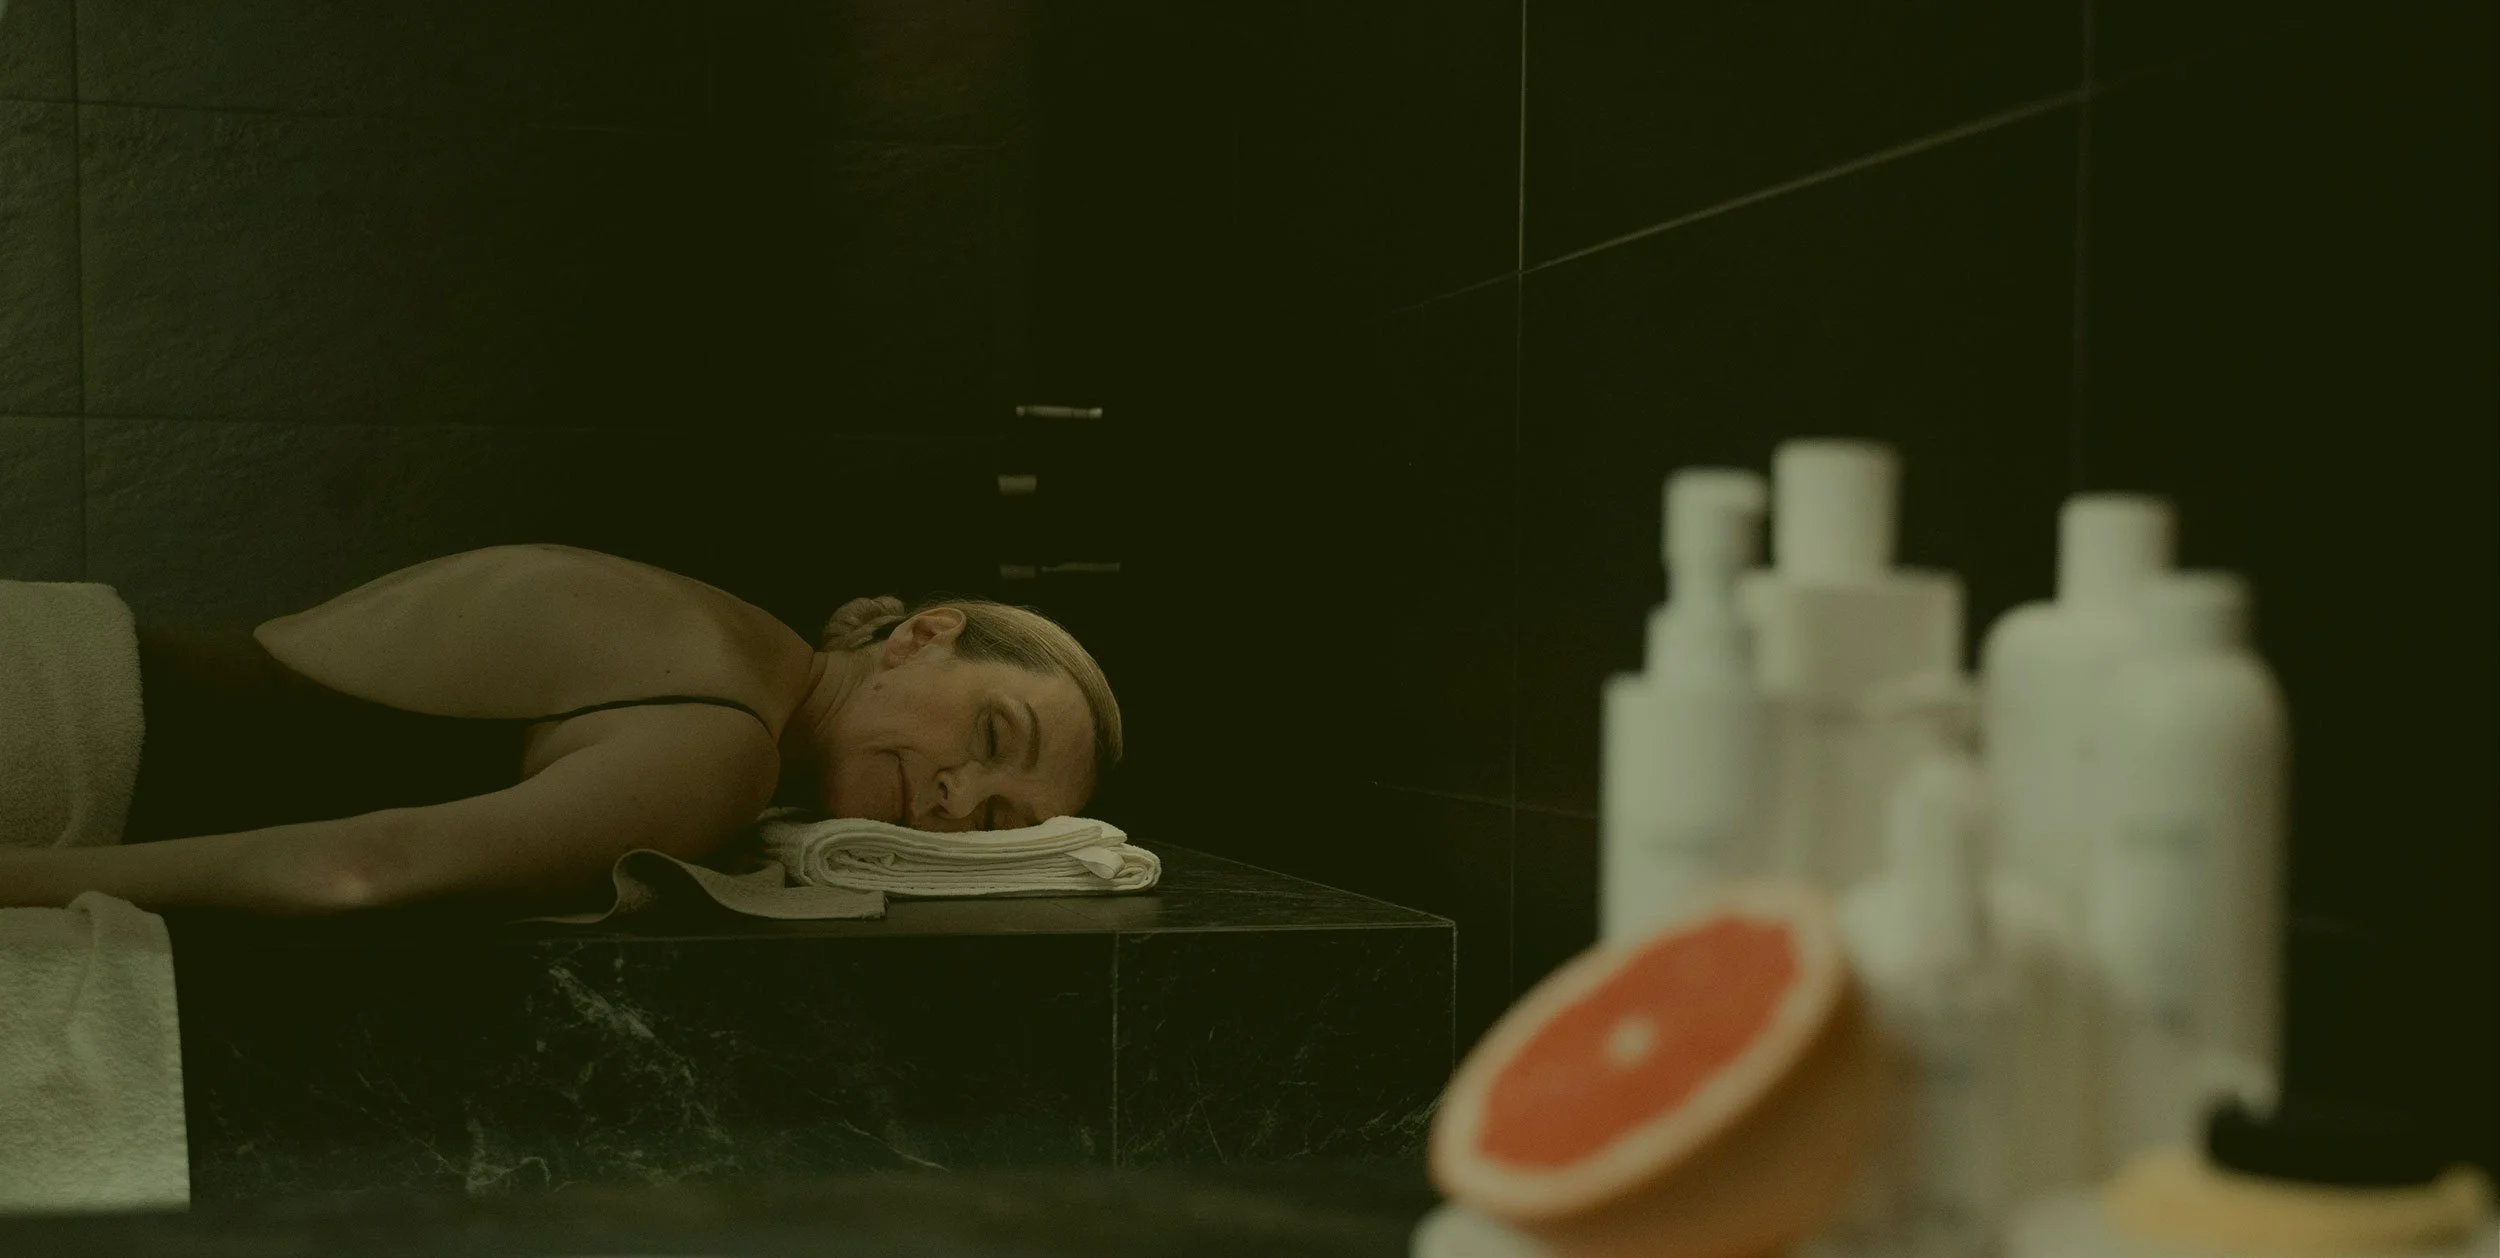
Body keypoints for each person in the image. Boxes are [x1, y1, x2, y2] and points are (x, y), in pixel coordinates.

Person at [0, 544, 1121, 916]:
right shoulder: (725, 741)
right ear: (920, 636)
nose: (955, 797)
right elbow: (356, 869)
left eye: (996, 820)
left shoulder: (727, 640)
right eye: (991, 735)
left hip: (56, 652)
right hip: (54, 736)